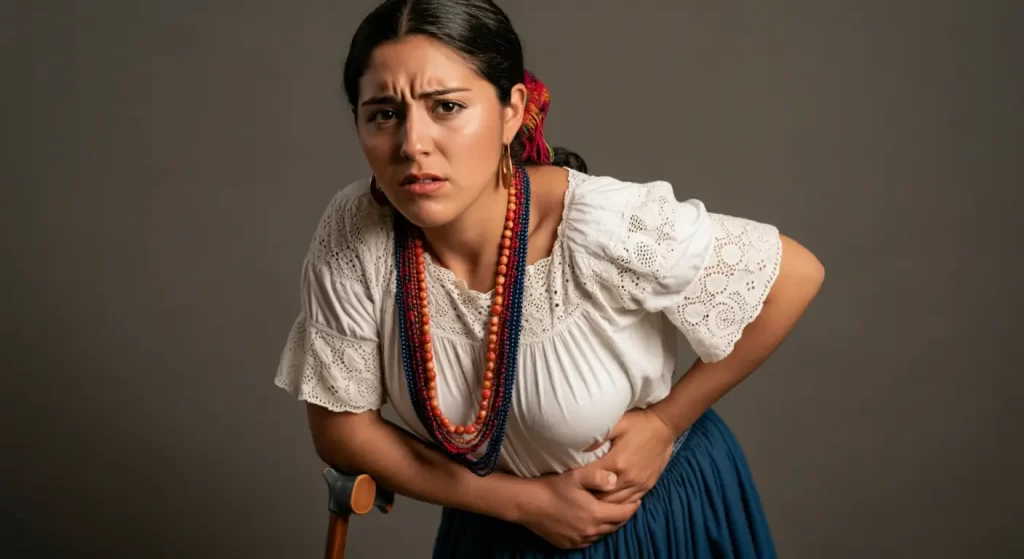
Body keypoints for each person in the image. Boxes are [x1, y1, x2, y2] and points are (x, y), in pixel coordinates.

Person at [274, 0, 825, 556]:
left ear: (512, 110)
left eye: (446, 106)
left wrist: (664, 422)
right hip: (491, 527)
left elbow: (794, 275)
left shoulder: (596, 224)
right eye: (384, 114)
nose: (412, 144)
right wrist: (527, 505)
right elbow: (343, 430)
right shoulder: (355, 230)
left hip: (647, 519)